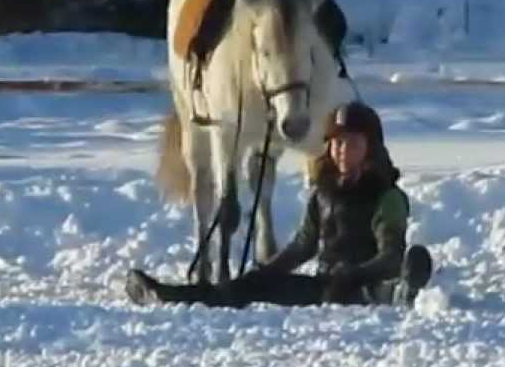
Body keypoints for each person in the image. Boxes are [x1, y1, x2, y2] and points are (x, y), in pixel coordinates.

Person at [125, 101, 434, 309]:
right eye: (337, 143)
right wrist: (267, 272)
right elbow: (303, 245)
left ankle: (400, 293)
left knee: (378, 291)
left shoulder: (387, 197)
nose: (342, 151)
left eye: (352, 143)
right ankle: (169, 295)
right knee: (244, 289)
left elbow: (390, 256)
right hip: (325, 285)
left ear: (370, 149)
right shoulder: (323, 193)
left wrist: (353, 274)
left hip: (363, 286)